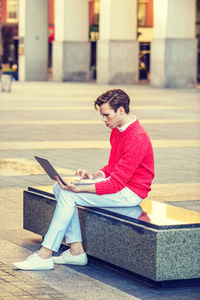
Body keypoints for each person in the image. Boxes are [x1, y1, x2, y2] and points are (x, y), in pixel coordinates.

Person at [13, 89, 154, 270]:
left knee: (69, 194)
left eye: (106, 115)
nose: (103, 120)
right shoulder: (119, 130)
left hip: (130, 193)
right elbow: (115, 167)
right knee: (59, 188)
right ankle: (76, 251)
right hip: (120, 186)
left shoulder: (136, 137)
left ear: (121, 110)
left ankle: (45, 254)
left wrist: (80, 189)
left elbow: (116, 184)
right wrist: (96, 175)